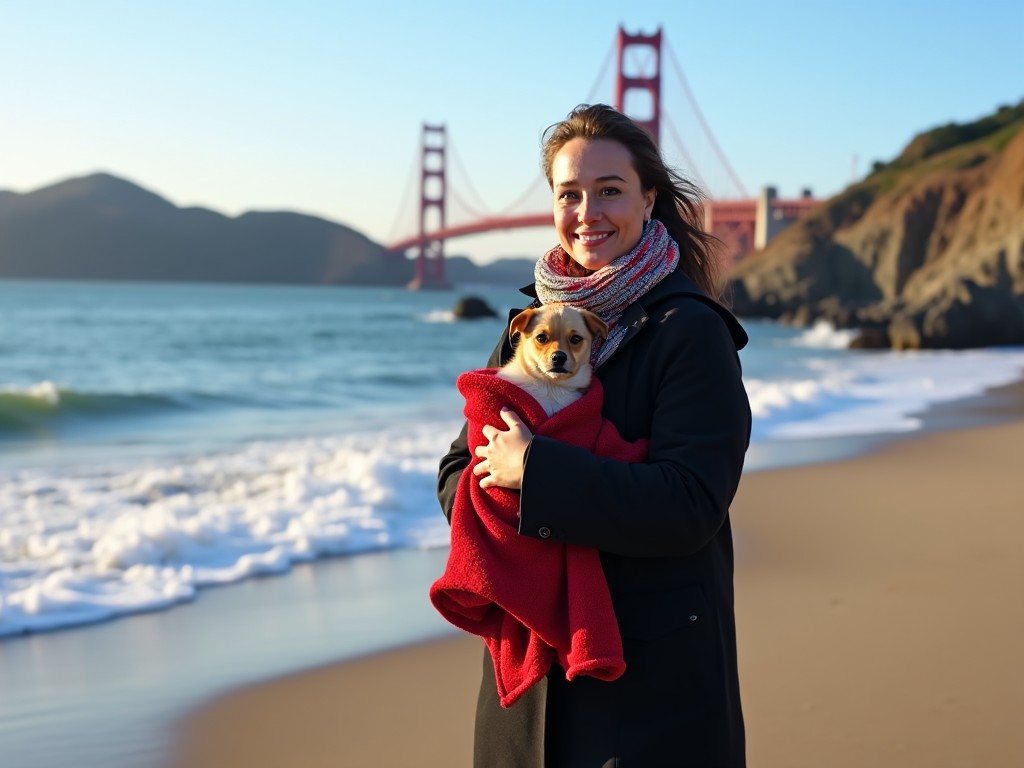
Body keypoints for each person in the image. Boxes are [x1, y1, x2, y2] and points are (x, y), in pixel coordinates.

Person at [437, 103, 751, 767]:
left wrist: (538, 474)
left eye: (609, 190)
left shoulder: (689, 332)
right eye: (569, 193)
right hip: (528, 670)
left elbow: (689, 505)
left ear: (649, 200)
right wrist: (493, 492)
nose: (588, 212)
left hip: (650, 685)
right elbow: (457, 471)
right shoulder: (530, 325)